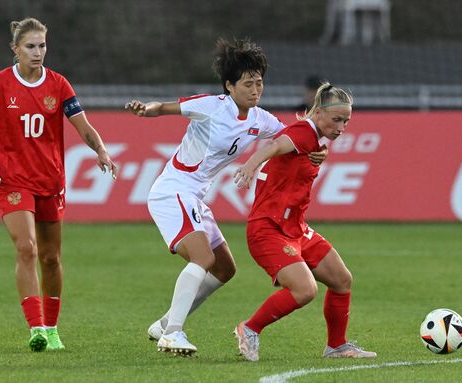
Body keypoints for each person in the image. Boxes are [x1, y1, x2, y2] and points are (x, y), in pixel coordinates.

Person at [125, 38, 328, 356]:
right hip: (173, 191)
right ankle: (174, 333)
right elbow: (164, 108)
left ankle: (164, 323)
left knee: (224, 269)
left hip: (194, 196)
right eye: (248, 83)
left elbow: (291, 137)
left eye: (259, 82)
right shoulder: (212, 106)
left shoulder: (260, 119)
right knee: (202, 259)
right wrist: (143, 109)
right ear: (229, 86)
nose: (255, 89)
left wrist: (320, 149)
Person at [0, 18, 117, 352]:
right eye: (31, 46)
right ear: (15, 49)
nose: (38, 53)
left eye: (42, 46)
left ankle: (52, 329)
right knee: (27, 248)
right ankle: (35, 327)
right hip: (13, 181)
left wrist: (102, 150)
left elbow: (83, 126)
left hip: (50, 180)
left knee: (50, 258)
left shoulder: (59, 85)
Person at [233, 82, 377, 362]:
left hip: (296, 229)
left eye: (346, 121)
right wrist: (251, 165)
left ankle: (336, 346)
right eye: (336, 119)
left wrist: (321, 153)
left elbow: (300, 152)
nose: (341, 127)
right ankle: (249, 328)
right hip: (269, 229)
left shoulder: (316, 139)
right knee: (305, 289)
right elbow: (275, 146)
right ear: (318, 113)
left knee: (341, 280)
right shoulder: (303, 132)